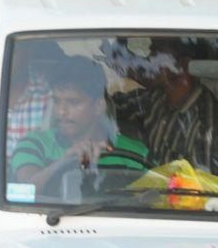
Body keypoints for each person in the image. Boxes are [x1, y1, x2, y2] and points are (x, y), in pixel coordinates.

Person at [11, 57, 148, 190]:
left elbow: (155, 196)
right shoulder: (34, 144)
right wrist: (65, 162)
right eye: (57, 101)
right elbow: (25, 191)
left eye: (73, 102)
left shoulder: (135, 152)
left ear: (99, 106)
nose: (61, 111)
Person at [111, 38, 218, 177]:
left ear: (183, 65)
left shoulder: (210, 124)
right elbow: (109, 107)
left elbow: (199, 185)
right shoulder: (156, 98)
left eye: (156, 56)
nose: (148, 62)